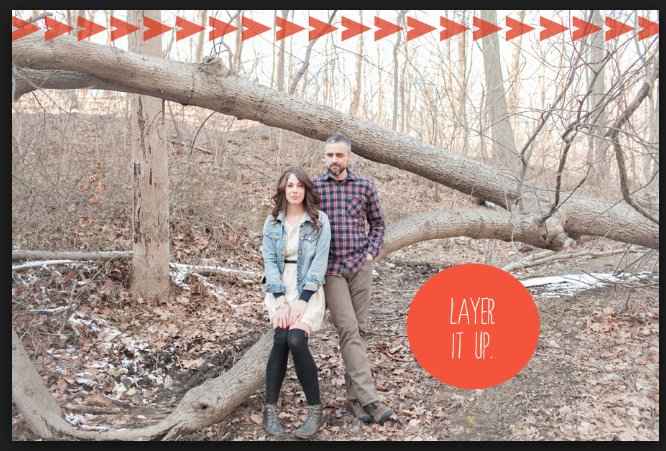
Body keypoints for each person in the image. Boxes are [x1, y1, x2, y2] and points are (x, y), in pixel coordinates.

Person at [312, 132, 395, 425]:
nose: (334, 160)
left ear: (349, 157)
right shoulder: (315, 187)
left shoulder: (364, 186)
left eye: (339, 155)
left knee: (358, 331)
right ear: (325, 157)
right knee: (348, 329)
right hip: (332, 270)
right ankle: (371, 399)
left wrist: (371, 252)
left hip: (360, 266)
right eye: (330, 155)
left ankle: (354, 400)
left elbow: (378, 223)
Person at [261, 166, 331, 439]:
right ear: (283, 189)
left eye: (299, 185)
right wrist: (279, 300)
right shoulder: (272, 222)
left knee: (296, 340)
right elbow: (269, 261)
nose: (294, 190)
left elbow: (319, 262)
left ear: (306, 190)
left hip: (308, 288)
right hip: (279, 288)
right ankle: (269, 409)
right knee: (280, 339)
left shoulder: (319, 221)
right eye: (289, 185)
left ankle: (314, 411)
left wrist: (303, 299)